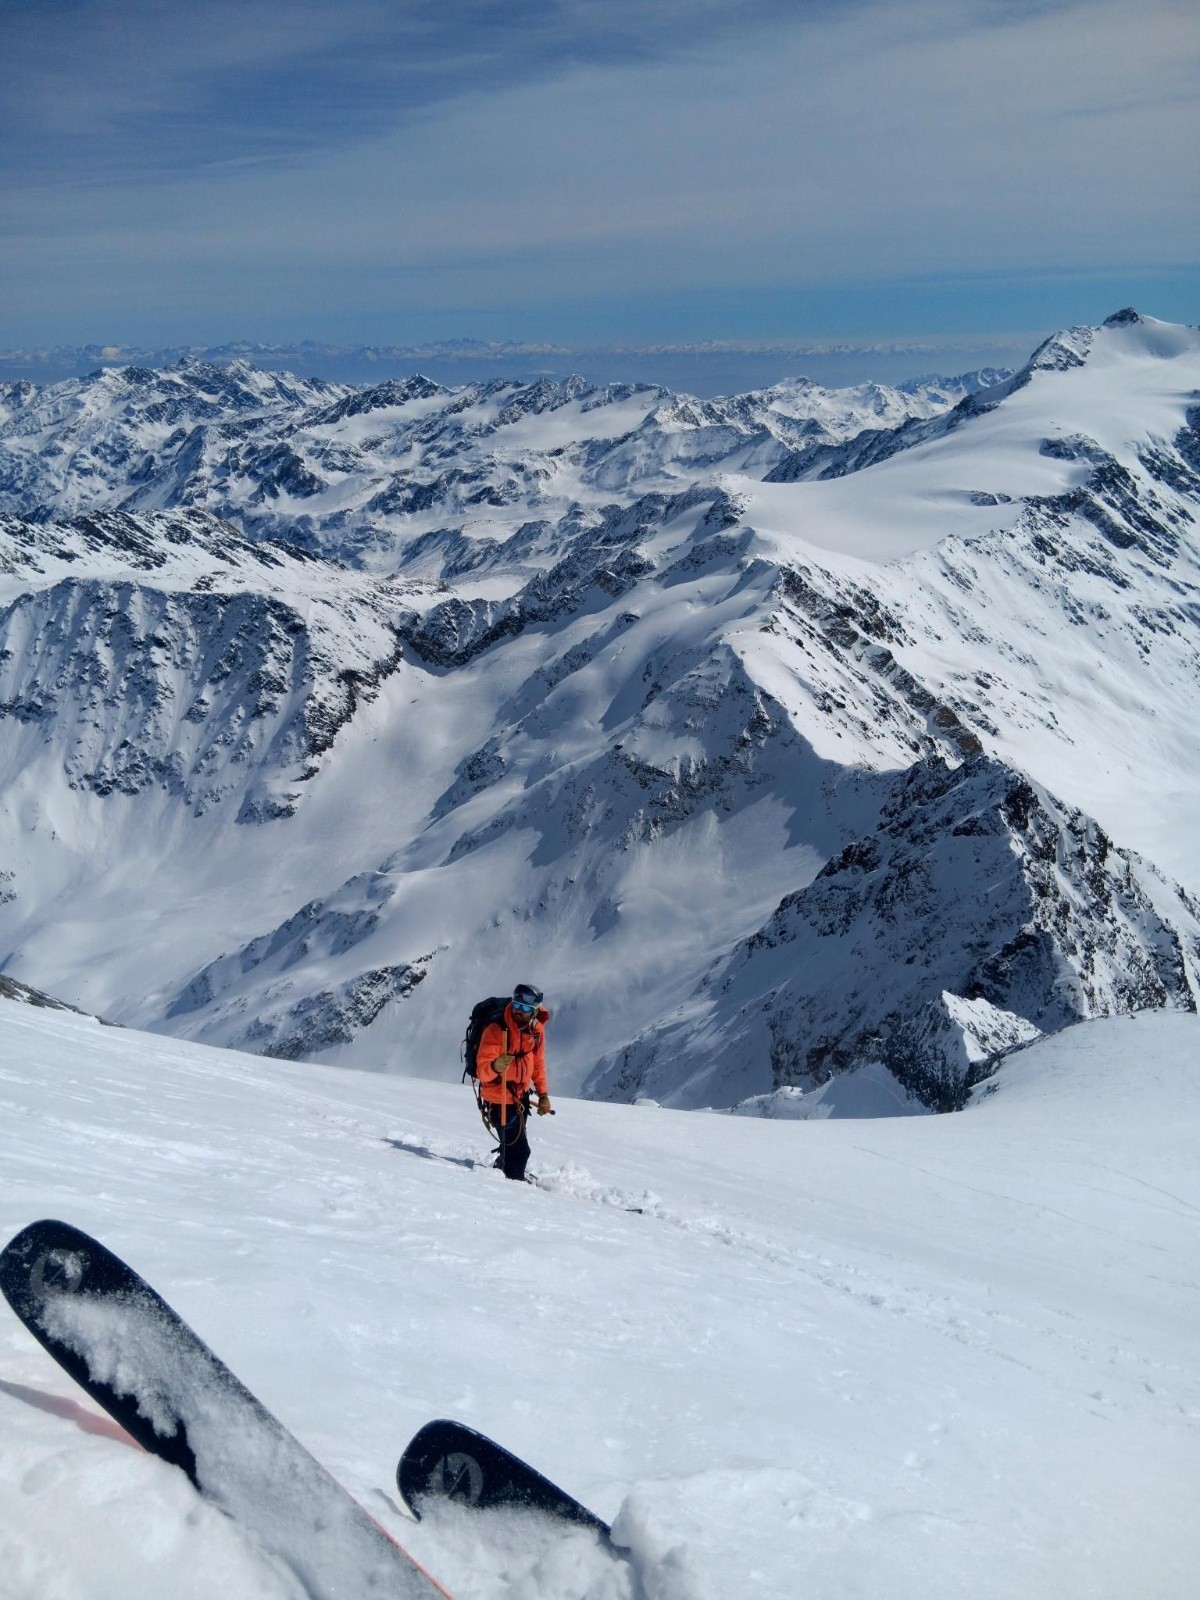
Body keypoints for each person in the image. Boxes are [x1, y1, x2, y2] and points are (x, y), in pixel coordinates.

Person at [474, 983, 553, 1181]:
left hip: (520, 1097)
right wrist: (494, 1067)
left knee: (511, 1144)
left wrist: (543, 1095)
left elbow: (537, 1064)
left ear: (535, 1011)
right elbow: (481, 1072)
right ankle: (514, 1186)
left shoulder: (536, 1031)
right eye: (517, 1005)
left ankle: (504, 1170)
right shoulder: (496, 1029)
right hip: (498, 1098)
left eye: (526, 1008)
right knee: (520, 1151)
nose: (519, 1011)